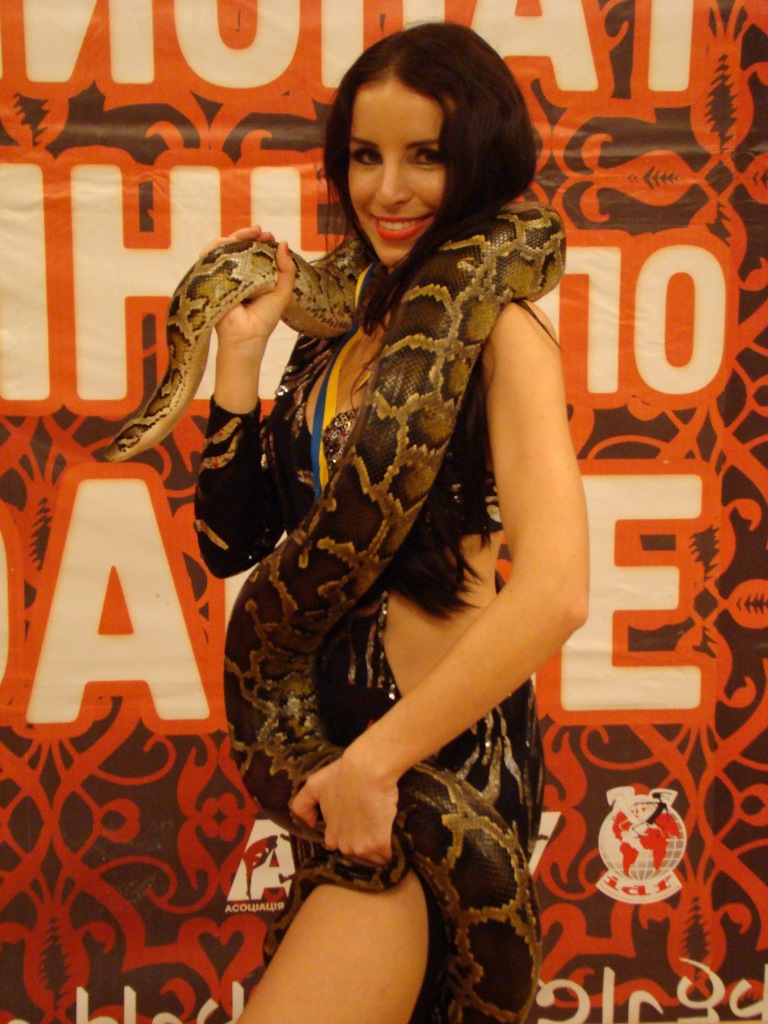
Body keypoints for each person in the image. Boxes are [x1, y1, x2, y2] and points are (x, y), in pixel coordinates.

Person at [194, 21, 589, 1024]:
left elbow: (555, 592)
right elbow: (231, 545)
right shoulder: (334, 340)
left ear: (481, 160)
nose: (388, 189)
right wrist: (239, 356)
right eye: (365, 156)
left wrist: (377, 764)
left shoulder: (500, 332)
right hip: (340, 775)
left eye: (427, 155)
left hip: (428, 772)